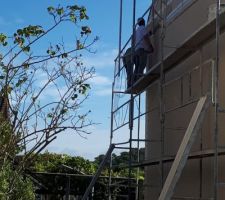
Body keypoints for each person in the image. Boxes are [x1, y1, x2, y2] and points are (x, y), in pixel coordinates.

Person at [134, 17, 153, 81]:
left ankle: (135, 79)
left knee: (137, 65)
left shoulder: (137, 30)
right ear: (143, 22)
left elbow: (143, 36)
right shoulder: (143, 28)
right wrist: (150, 46)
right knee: (142, 63)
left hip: (136, 49)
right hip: (141, 49)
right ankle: (139, 77)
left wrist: (148, 34)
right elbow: (145, 37)